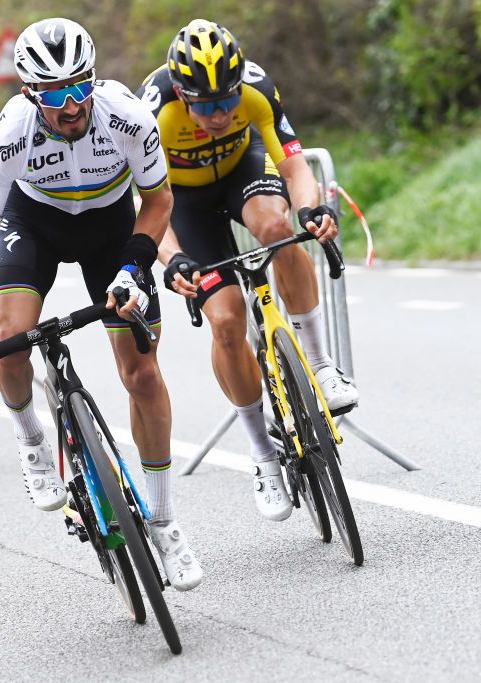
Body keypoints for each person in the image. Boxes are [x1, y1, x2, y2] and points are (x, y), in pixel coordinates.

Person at [0, 18, 202, 591]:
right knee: (9, 347)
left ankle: (163, 523)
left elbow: (158, 200)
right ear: (28, 95)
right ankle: (33, 439)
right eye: (56, 94)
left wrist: (135, 267)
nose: (72, 104)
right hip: (33, 224)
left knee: (141, 373)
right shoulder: (9, 135)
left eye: (80, 85)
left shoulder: (126, 116)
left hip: (111, 229)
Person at [138, 19, 359, 522]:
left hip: (243, 170)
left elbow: (296, 165)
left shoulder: (256, 88)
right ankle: (262, 454)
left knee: (277, 228)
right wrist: (174, 260)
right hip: (182, 200)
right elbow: (148, 206)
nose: (218, 114)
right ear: (180, 93)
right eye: (205, 104)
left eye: (227, 102)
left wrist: (311, 210)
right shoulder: (151, 112)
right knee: (227, 320)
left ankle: (321, 366)